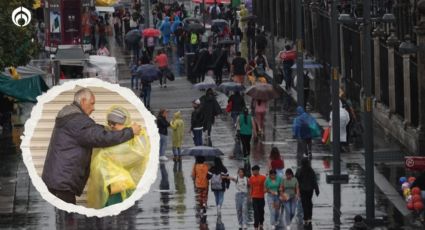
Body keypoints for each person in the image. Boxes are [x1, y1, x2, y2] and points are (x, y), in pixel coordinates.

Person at [42, 88, 141, 204]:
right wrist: (130, 132)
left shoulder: (71, 117)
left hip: (59, 178)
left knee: (64, 217)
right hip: (62, 182)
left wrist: (109, 129)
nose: (94, 108)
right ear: (83, 101)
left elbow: (93, 130)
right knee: (67, 219)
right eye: (92, 103)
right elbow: (100, 137)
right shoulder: (77, 121)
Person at [87, 106, 149, 208]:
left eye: (114, 123)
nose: (111, 126)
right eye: (109, 123)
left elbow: (140, 155)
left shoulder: (135, 136)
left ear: (123, 123)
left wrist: (116, 159)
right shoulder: (110, 135)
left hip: (122, 185)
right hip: (109, 185)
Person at [295, 158, 319, 228]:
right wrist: (317, 190)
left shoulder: (299, 170)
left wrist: (296, 190)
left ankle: (306, 219)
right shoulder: (311, 170)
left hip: (303, 190)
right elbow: (314, 180)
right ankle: (310, 217)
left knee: (304, 204)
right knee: (309, 203)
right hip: (310, 190)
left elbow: (296, 180)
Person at [249, 165, 266, 230]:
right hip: (254, 197)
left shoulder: (263, 177)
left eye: (254, 171)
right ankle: (256, 226)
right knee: (255, 212)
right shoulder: (251, 178)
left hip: (261, 197)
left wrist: (265, 191)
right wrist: (250, 196)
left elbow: (266, 185)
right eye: (252, 171)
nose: (253, 172)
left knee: (261, 211)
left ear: (257, 171)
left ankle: (261, 223)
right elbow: (251, 187)